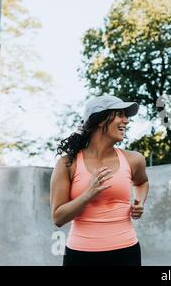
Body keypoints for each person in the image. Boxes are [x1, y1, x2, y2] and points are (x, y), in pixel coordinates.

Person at [50, 95, 149, 266]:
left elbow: (141, 182)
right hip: (81, 255)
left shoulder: (134, 159)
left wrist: (139, 202)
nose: (126, 120)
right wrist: (88, 194)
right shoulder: (68, 164)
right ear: (101, 119)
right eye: (120, 114)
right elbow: (58, 218)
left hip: (126, 252)